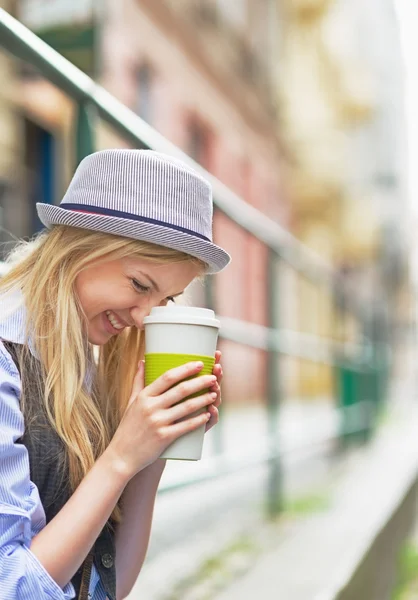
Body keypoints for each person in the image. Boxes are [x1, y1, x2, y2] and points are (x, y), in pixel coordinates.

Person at [0, 149, 231, 600]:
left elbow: (109, 587)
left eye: (166, 299)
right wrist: (120, 458)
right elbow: (13, 588)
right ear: (82, 247)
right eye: (141, 285)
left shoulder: (76, 354)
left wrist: (153, 451)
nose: (146, 318)